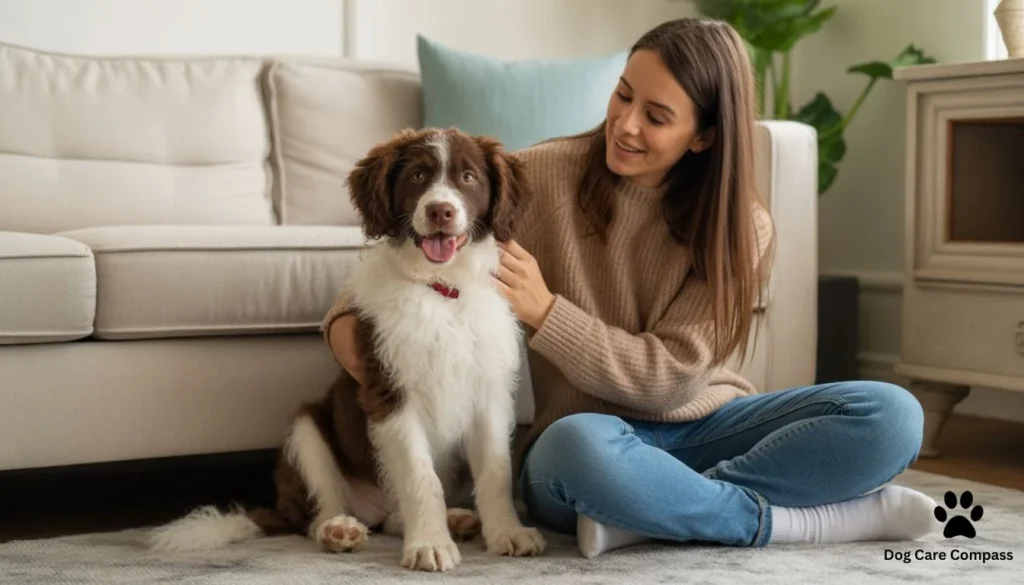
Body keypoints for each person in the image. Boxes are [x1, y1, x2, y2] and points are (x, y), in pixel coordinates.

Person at [320, 17, 937, 559]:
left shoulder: (741, 227)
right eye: (623, 96)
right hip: (586, 438)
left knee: (892, 414)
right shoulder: (541, 175)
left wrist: (549, 314)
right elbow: (410, 259)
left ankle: (650, 512)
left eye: (657, 116)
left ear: (704, 137)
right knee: (576, 451)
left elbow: (671, 379)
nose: (625, 124)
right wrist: (345, 319)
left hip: (703, 428)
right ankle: (791, 522)